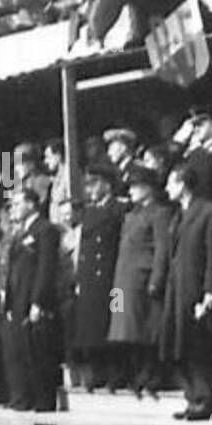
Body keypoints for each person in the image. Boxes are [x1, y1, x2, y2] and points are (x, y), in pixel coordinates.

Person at [159, 163, 212, 420]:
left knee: (197, 346)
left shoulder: (208, 211)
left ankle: (205, 399)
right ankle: (191, 397)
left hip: (195, 287)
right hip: (176, 288)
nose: (166, 188)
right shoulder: (178, 214)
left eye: (171, 183)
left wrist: (210, 291)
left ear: (183, 184)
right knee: (178, 345)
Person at [107, 163, 171, 397]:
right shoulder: (131, 215)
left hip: (141, 278)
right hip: (122, 279)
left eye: (136, 186)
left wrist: (156, 278)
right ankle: (127, 372)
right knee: (121, 330)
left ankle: (149, 374)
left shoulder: (159, 213)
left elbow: (161, 249)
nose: (131, 191)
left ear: (149, 188)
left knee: (142, 328)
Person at [0, 187, 61, 411]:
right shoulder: (18, 232)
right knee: (18, 351)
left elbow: (45, 268)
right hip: (16, 298)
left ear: (31, 204)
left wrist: (38, 301)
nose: (13, 208)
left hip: (32, 297)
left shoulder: (45, 230)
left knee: (37, 352)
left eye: (17, 203)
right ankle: (21, 397)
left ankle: (42, 400)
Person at [70, 162, 125, 391]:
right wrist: (79, 279)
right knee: (91, 328)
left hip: (114, 279)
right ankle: (97, 374)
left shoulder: (119, 209)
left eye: (94, 184)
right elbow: (84, 249)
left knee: (115, 325)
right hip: (91, 280)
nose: (90, 189)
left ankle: (118, 374)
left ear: (107, 184)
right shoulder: (90, 212)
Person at [43, 138, 71, 227]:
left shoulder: (69, 175)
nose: (46, 161)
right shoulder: (55, 179)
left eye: (48, 157)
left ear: (58, 156)